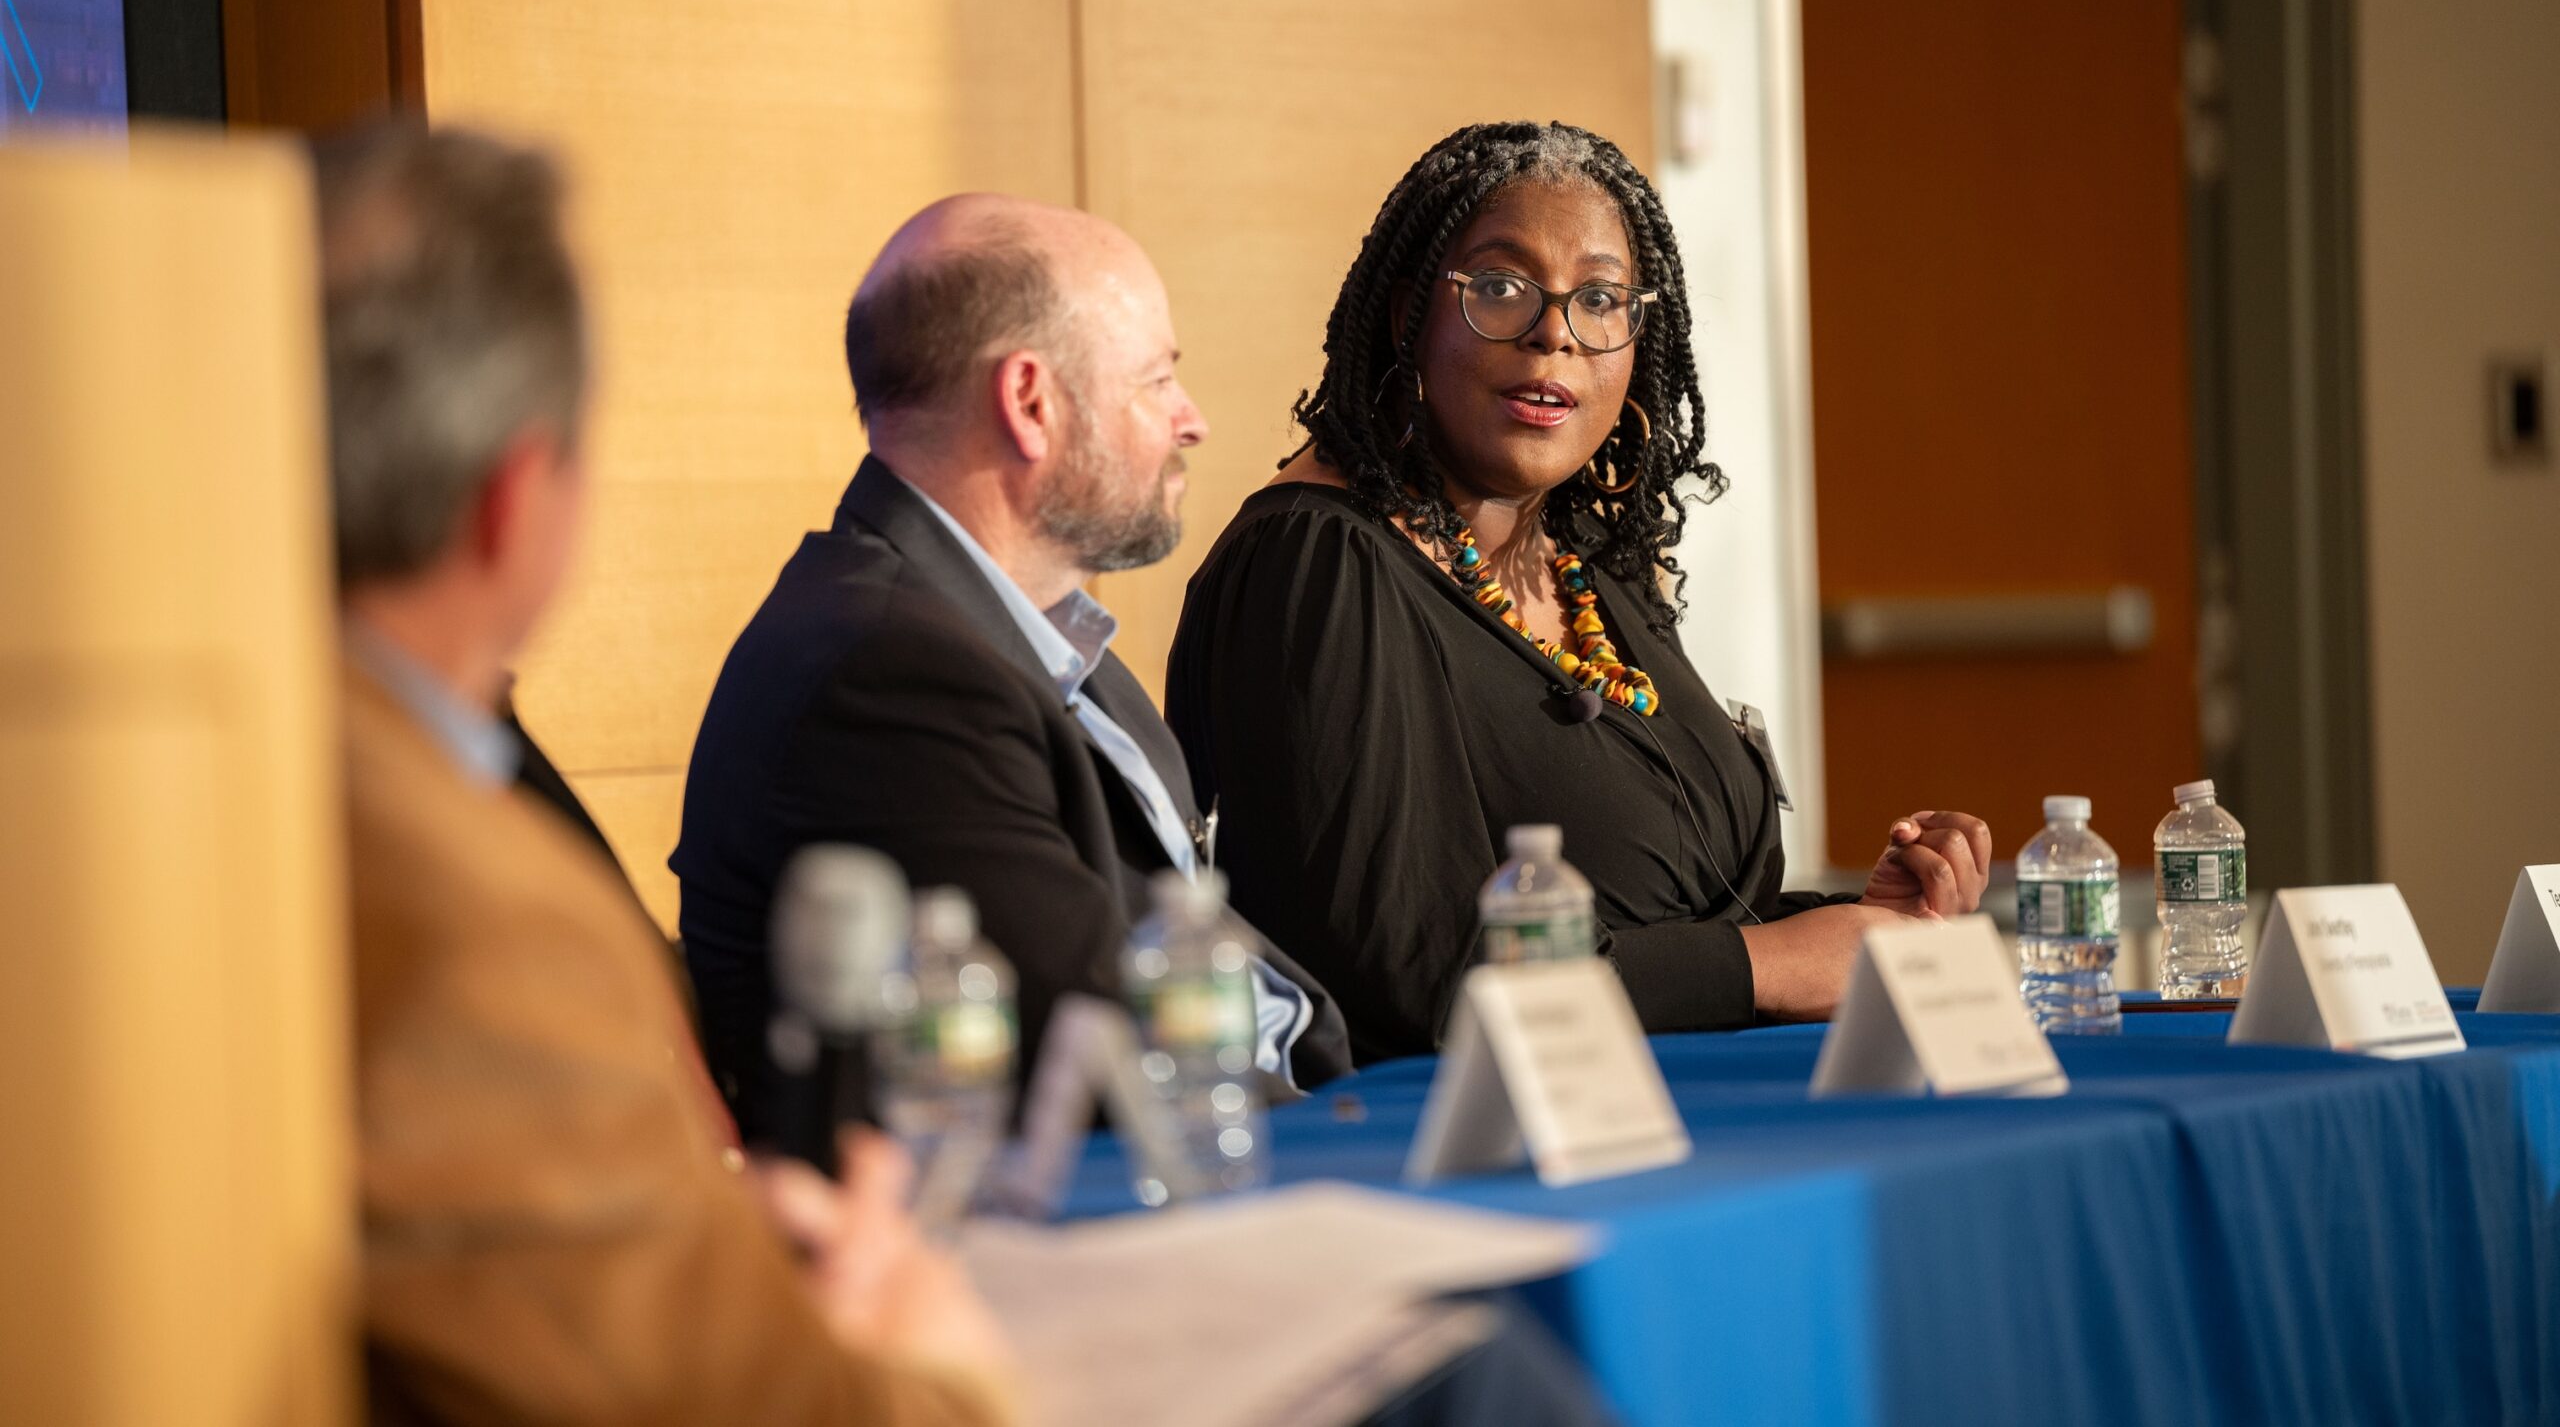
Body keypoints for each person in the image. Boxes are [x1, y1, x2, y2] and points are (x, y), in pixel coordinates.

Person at [317, 120, 1012, 1425]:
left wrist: (674, 1214)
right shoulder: (475, 916)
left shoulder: (174, 784)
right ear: (519, 496)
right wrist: (941, 1357)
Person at [1165, 120, 1994, 1065]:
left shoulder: (1585, 562)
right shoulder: (1314, 567)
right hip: (1456, 1165)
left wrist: (1856, 925)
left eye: (1600, 299)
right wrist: (1769, 963)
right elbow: (1402, 979)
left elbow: (1669, 916)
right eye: (1501, 287)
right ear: (1407, 319)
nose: (1554, 333)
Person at [673, 195, 1354, 1145]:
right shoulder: (885, 675)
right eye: (1157, 380)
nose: (1190, 421)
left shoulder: (1052, 647)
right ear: (1030, 402)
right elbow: (1100, 1037)